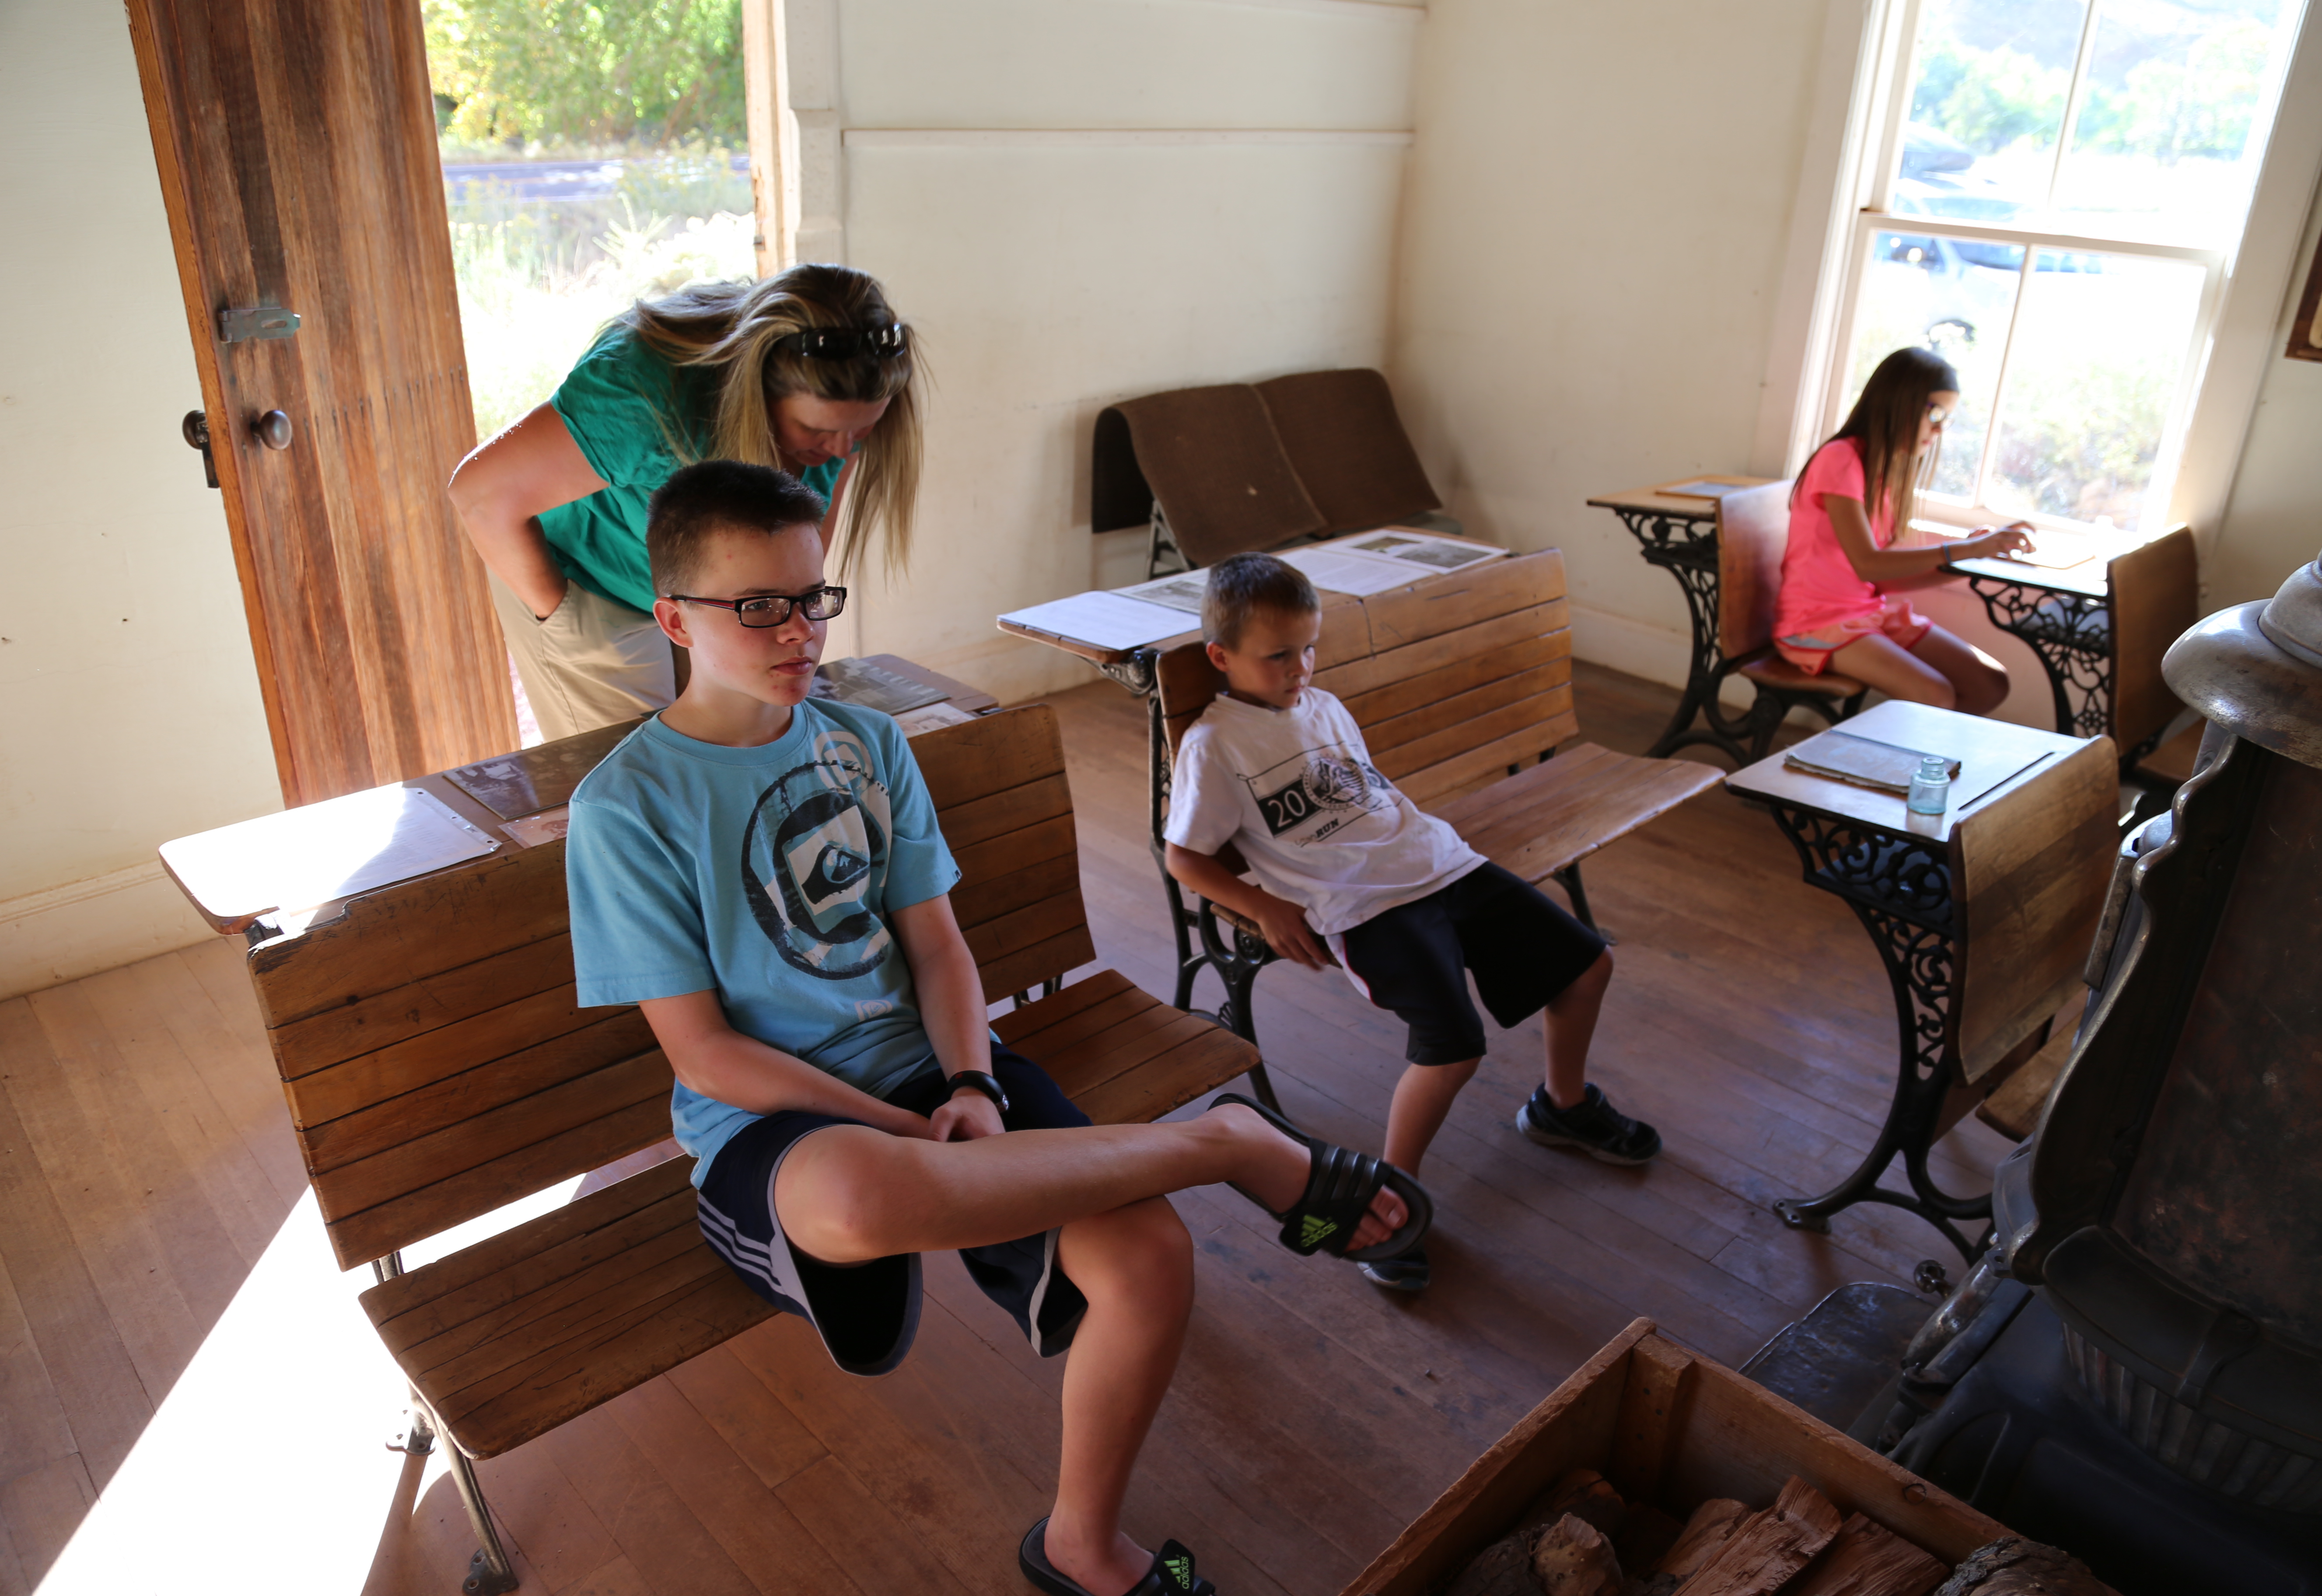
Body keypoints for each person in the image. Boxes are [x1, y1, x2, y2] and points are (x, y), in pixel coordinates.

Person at [565, 462, 1430, 1596]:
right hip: (775, 1124)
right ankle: (1225, 1145)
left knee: (1150, 1253)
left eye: (813, 597)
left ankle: (1080, 1542)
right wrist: (902, 1125)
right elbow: (706, 1056)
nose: (798, 632)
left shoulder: (867, 746)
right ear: (674, 618)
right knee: (863, 1196)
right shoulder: (628, 805)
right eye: (758, 606)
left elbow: (937, 949)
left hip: (938, 1069)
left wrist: (968, 1085)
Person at [1159, 553, 1646, 1297]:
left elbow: (1365, 798)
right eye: (1279, 655)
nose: (1301, 667)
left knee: (1587, 967)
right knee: (1452, 1049)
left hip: (1443, 863)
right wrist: (1262, 904)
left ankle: (1563, 1105)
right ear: (1221, 657)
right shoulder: (1215, 743)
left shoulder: (1322, 706)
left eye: (1309, 647)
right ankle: (1384, 1198)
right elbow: (1182, 857)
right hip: (1363, 906)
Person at [449, 263, 923, 742]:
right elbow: (480, 496)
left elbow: (805, 535)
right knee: (636, 772)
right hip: (591, 581)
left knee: (734, 748)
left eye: (861, 431)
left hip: (712, 595)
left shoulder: (851, 390)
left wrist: (777, 618)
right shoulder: (644, 391)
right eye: (816, 432)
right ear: (757, 390)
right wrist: (566, 618)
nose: (842, 449)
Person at [1773, 346, 2035, 714]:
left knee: (1990, 683)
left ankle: (1923, 762)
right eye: (1936, 413)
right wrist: (1963, 551)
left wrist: (1966, 556)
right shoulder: (1841, 458)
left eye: (1949, 418)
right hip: (1814, 624)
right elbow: (1870, 564)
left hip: (1867, 612)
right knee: (1935, 695)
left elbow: (1881, 582)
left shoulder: (1887, 467)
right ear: (1900, 403)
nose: (1942, 428)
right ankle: (1913, 766)